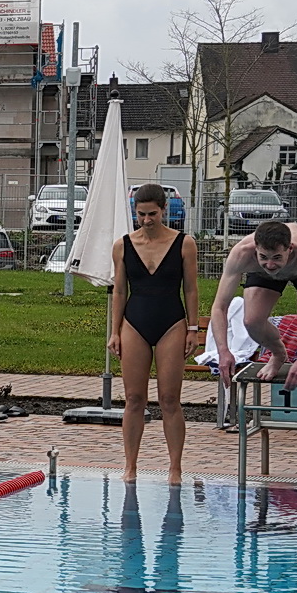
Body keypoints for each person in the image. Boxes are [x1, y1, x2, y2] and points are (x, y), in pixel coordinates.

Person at [109, 183, 200, 484]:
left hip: (172, 322)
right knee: (134, 398)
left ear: (164, 211)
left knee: (169, 398)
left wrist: (193, 327)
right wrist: (115, 332)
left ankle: (175, 467)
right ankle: (130, 466)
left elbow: (190, 288)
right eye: (141, 215)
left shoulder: (184, 243)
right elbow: (119, 291)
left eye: (152, 214)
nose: (147, 221)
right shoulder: (122, 245)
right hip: (134, 322)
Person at [209, 219, 297, 391]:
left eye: (277, 257)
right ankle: (278, 354)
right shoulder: (242, 254)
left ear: (290, 248)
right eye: (264, 257)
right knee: (252, 321)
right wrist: (223, 352)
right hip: (262, 272)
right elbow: (219, 307)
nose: (271, 264)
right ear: (256, 248)